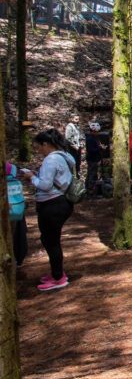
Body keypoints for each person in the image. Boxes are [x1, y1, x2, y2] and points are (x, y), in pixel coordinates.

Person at [19, 129, 76, 291]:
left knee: (51, 241)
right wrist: (38, 175)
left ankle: (58, 277)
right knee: (50, 239)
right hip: (61, 202)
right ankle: (57, 272)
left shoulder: (51, 160)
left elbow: (44, 185)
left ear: (46, 144)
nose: (38, 151)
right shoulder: (64, 157)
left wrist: (31, 177)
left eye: (39, 147)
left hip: (53, 205)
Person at [84, 122, 103, 194]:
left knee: (91, 173)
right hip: (92, 159)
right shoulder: (90, 139)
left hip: (95, 158)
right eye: (96, 132)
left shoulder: (95, 138)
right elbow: (91, 150)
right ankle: (90, 189)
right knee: (92, 173)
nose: (97, 133)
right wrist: (99, 148)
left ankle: (89, 187)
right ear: (93, 131)